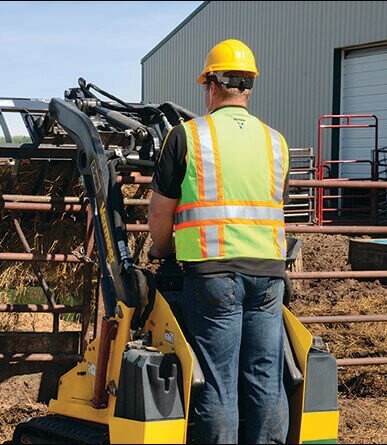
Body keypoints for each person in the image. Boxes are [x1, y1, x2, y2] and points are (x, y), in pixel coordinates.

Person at [148, 39, 290, 444]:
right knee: (265, 378)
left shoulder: (188, 137)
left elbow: (160, 214)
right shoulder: (276, 142)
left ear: (211, 85)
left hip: (213, 276)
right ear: (248, 86)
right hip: (268, 277)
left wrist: (162, 251)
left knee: (218, 380)